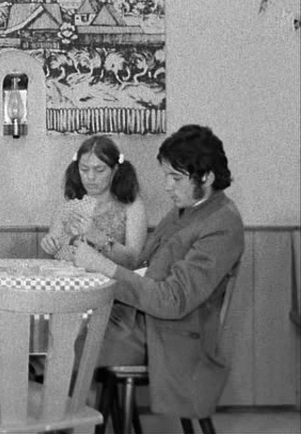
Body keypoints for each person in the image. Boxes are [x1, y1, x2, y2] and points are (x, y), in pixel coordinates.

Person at [74, 124, 244, 419]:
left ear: (206, 177)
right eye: (166, 175)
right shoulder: (186, 210)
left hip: (167, 337)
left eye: (175, 177)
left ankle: (60, 419)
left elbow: (172, 300)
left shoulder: (222, 223)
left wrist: (103, 266)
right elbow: (143, 267)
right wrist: (101, 244)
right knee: (59, 330)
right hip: (141, 322)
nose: (167, 186)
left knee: (61, 341)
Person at [41, 135, 147, 269]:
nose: (90, 177)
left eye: (99, 170)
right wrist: (51, 244)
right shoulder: (69, 201)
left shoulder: (130, 204)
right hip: (72, 278)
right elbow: (56, 247)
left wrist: (96, 235)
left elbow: (133, 260)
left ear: (114, 170)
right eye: (84, 169)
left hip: (115, 279)